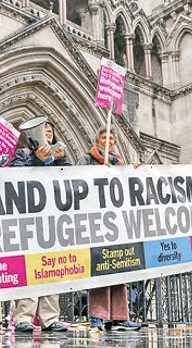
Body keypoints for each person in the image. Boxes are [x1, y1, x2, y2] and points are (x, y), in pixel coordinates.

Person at [77, 127, 141, 332]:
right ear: (97, 141)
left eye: (112, 138)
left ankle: (120, 317)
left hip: (118, 222)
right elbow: (75, 180)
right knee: (100, 268)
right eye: (105, 138)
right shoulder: (87, 159)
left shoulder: (120, 164)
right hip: (96, 220)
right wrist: (97, 171)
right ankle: (97, 316)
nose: (109, 141)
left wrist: (134, 170)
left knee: (120, 266)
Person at [9, 120, 69, 334]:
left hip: (53, 221)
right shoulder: (23, 154)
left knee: (52, 267)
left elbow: (73, 180)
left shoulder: (59, 157)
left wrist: (62, 161)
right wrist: (37, 159)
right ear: (34, 135)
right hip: (29, 220)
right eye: (44, 130)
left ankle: (50, 318)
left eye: (51, 130)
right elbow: (14, 176)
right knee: (30, 269)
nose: (49, 133)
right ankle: (24, 317)